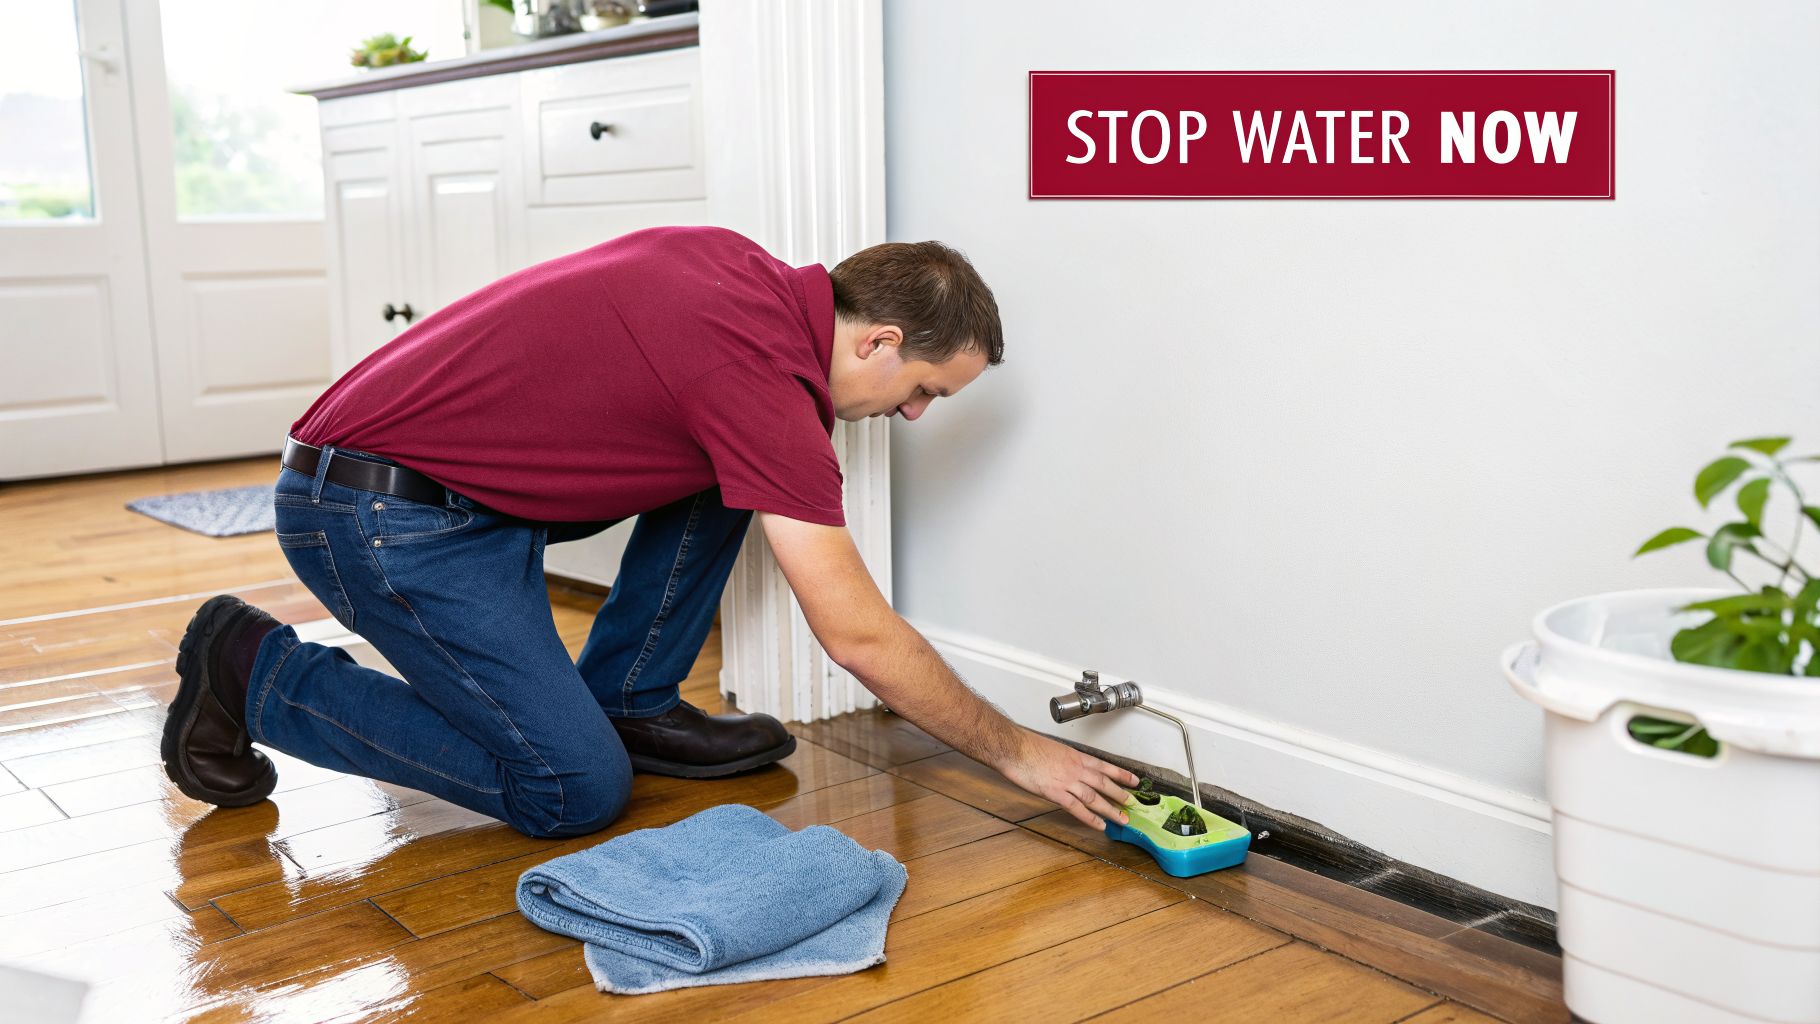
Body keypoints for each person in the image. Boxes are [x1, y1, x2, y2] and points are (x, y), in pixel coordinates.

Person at [160, 225, 1137, 839]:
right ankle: (260, 673)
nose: (917, 413)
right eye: (922, 388)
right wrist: (1016, 751)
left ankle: (628, 695)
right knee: (571, 791)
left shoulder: (736, 274)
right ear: (877, 339)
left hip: (455, 498)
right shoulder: (758, 384)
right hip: (374, 516)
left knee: (736, 473)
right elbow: (858, 637)